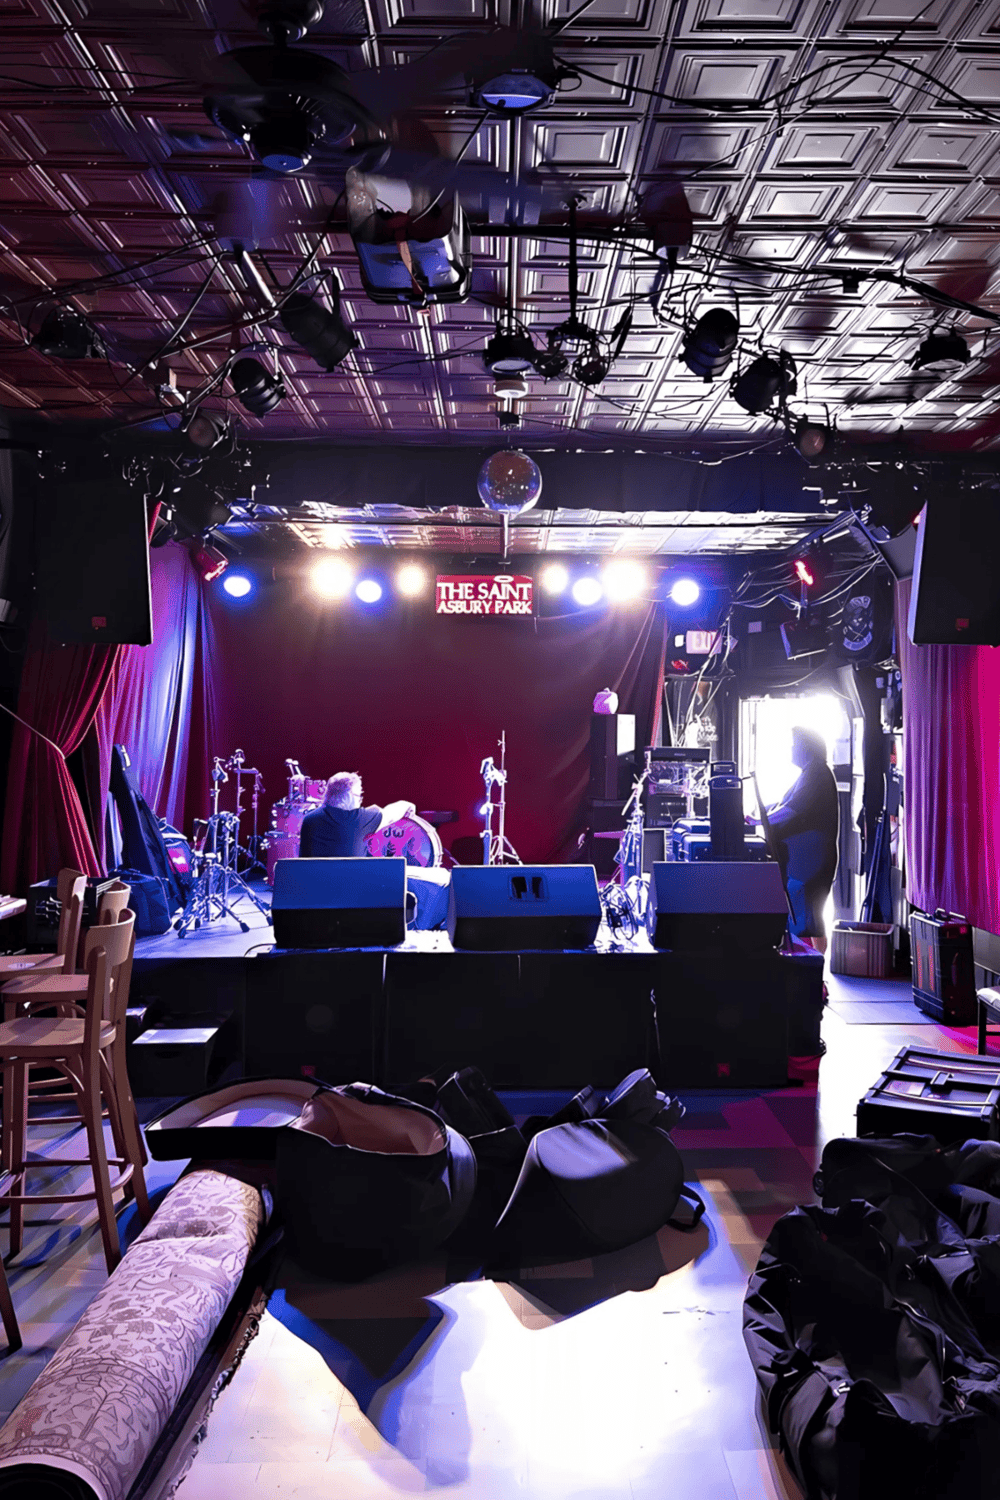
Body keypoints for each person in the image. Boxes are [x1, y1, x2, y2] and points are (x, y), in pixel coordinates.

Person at [764, 726, 839, 955]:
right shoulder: (809, 773)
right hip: (805, 857)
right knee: (809, 917)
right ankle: (811, 969)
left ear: (806, 748)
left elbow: (792, 810)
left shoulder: (817, 773)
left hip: (812, 860)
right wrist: (761, 815)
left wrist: (761, 820)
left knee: (809, 919)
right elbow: (783, 804)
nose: (791, 749)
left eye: (794, 745)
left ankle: (812, 971)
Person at [299, 772, 415, 859]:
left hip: (314, 888)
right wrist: (407, 804)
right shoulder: (358, 819)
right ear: (348, 796)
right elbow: (391, 815)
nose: (360, 801)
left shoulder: (310, 819)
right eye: (358, 795)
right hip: (349, 888)